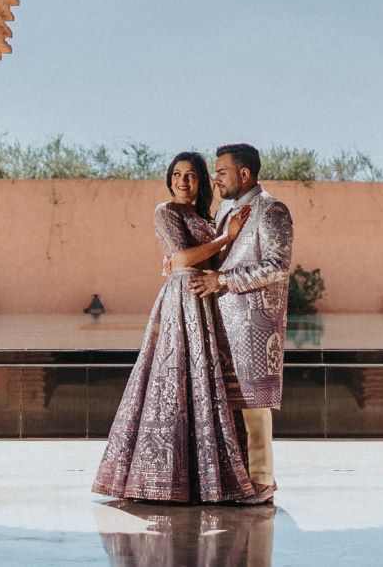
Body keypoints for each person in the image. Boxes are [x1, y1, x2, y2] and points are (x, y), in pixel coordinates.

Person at [91, 151, 268, 505]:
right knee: (174, 381)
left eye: (190, 175)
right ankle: (162, 477)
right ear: (169, 179)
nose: (182, 181)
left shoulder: (207, 215)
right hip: (182, 301)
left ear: (201, 181)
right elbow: (182, 259)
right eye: (176, 174)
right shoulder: (165, 212)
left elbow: (214, 259)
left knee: (206, 385)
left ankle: (207, 479)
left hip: (207, 300)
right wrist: (224, 238)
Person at [197, 142, 292, 494]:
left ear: (244, 173)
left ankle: (263, 481)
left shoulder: (271, 210)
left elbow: (277, 266)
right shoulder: (224, 210)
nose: (216, 179)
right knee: (230, 403)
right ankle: (237, 480)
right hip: (222, 320)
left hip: (256, 324)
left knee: (255, 405)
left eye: (222, 172)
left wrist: (222, 280)